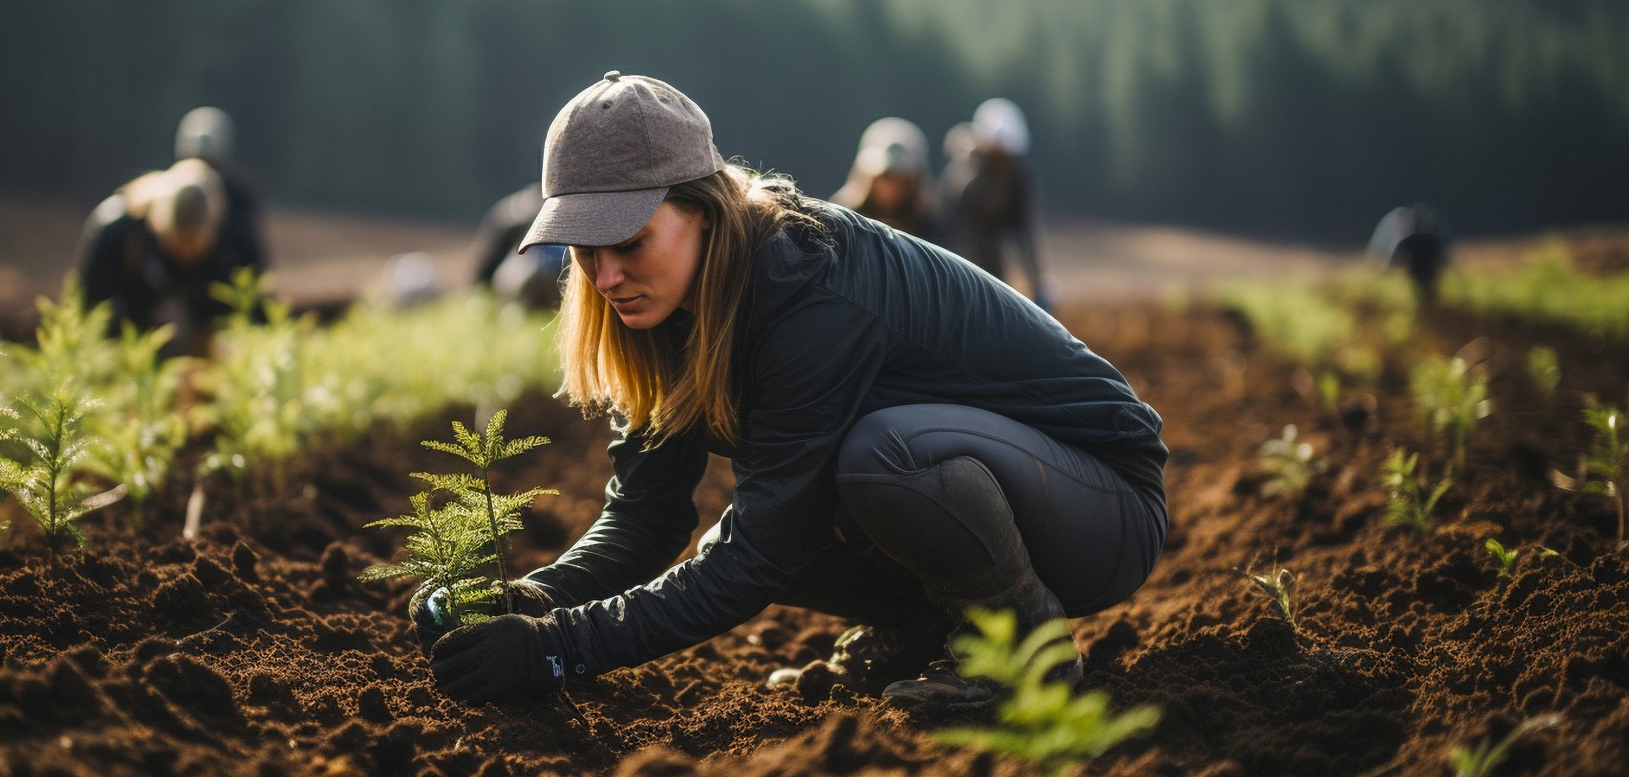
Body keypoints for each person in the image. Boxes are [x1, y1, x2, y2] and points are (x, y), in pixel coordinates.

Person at [418, 72, 1167, 710]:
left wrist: (555, 652)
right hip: (991, 496)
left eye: (629, 242)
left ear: (702, 211)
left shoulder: (807, 285)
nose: (605, 276)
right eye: (585, 250)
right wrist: (532, 603)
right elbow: (646, 517)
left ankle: (1030, 656)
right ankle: (923, 630)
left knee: (874, 462)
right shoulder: (662, 307)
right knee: (780, 511)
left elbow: (755, 562)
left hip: (1101, 503)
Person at [78, 107, 268, 353]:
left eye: (195, 243)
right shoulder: (119, 230)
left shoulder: (237, 232)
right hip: (130, 343)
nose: (187, 252)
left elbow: (256, 308)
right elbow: (87, 312)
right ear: (158, 221)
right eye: (179, 241)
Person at [940, 98, 1051, 309]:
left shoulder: (1017, 179)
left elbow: (1025, 234)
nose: (1002, 160)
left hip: (993, 272)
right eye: (996, 153)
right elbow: (947, 229)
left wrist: (1038, 286)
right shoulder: (962, 177)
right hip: (956, 270)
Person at [828, 117, 947, 247]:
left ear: (915, 183)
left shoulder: (932, 227)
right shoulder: (843, 221)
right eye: (885, 176)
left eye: (901, 177)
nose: (891, 187)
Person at [466, 182, 563, 309]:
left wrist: (481, 288)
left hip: (521, 283)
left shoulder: (512, 209)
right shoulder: (515, 213)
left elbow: (487, 263)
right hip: (553, 280)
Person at [1366, 203, 1451, 306]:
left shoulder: (1407, 240)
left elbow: (1393, 259)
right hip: (1430, 274)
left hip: (1416, 274)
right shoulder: (1433, 240)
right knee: (1429, 293)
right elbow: (1444, 258)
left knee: (1419, 295)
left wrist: (1385, 272)